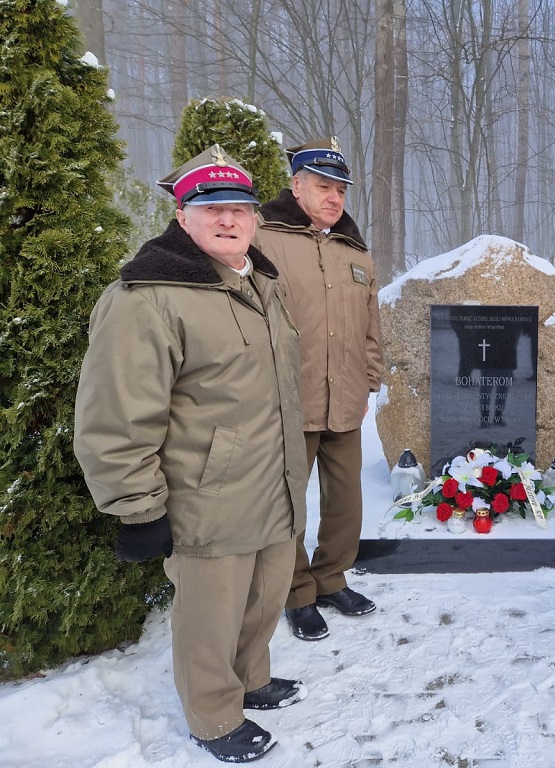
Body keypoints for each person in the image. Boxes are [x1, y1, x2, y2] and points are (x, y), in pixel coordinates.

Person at [74, 145, 309, 763]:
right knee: (211, 613)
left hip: (274, 478)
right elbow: (117, 411)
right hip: (207, 493)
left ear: (257, 218)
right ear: (182, 218)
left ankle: (251, 679)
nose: (228, 220)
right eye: (211, 209)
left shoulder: (260, 283)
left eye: (240, 208)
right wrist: (136, 506)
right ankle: (213, 716)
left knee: (263, 597)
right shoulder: (146, 298)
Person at [255, 136, 383, 641]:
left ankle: (332, 578)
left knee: (345, 502)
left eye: (341, 190)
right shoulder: (264, 238)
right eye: (323, 187)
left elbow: (370, 322)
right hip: (290, 399)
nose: (334, 198)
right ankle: (297, 592)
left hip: (346, 398)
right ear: (296, 185)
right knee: (290, 506)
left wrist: (370, 377)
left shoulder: (355, 250)